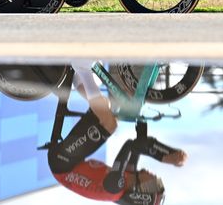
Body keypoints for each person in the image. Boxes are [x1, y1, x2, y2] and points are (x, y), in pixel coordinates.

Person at [48, 62, 187, 204]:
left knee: (110, 124)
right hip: (69, 161)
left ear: (140, 193)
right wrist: (139, 114)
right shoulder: (129, 177)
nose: (155, 177)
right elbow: (138, 142)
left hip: (62, 163)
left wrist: (165, 156)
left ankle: (82, 68)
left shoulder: (115, 189)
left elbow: (130, 146)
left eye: (153, 186)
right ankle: (77, 78)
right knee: (107, 109)